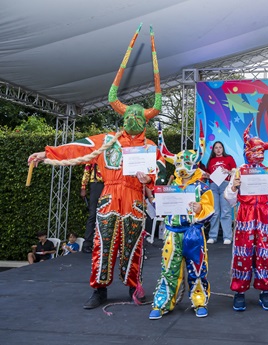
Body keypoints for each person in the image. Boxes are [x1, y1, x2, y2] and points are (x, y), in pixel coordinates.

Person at [27, 24, 167, 309]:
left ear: (146, 120)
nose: (133, 120)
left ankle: (132, 287)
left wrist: (148, 177)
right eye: (129, 116)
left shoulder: (150, 147)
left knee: (133, 247)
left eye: (139, 117)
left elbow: (162, 171)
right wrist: (46, 152)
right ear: (123, 117)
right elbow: (78, 147)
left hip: (135, 199)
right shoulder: (107, 141)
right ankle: (99, 290)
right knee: (102, 246)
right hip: (108, 198)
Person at [149, 122, 214, 320]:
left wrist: (199, 209)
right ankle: (162, 303)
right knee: (168, 269)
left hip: (193, 233)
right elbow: (157, 208)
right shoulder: (169, 186)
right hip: (172, 233)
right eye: (178, 164)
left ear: (194, 165)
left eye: (186, 164)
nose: (182, 169)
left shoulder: (202, 187)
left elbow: (210, 209)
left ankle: (199, 301)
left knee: (197, 268)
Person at [224, 119, 268, 312]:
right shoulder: (239, 171)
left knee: (263, 254)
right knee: (242, 254)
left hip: (262, 217)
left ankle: (264, 292)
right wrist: (234, 186)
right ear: (247, 151)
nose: (257, 154)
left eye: (261, 150)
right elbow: (229, 198)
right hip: (244, 215)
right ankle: (239, 292)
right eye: (254, 150)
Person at [204, 141, 237, 244]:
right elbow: (208, 175)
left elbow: (236, 172)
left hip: (225, 185)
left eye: (220, 147)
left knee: (226, 212)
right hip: (213, 186)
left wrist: (228, 171)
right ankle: (212, 236)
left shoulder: (229, 158)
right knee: (215, 212)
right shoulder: (211, 160)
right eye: (216, 148)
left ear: (223, 149)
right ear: (213, 150)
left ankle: (227, 236)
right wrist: (206, 175)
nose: (218, 149)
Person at [80, 163, 104, 253]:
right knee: (93, 214)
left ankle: (105, 243)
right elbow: (87, 169)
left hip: (110, 184)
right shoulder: (95, 151)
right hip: (96, 184)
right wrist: (83, 187)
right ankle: (87, 244)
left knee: (108, 214)